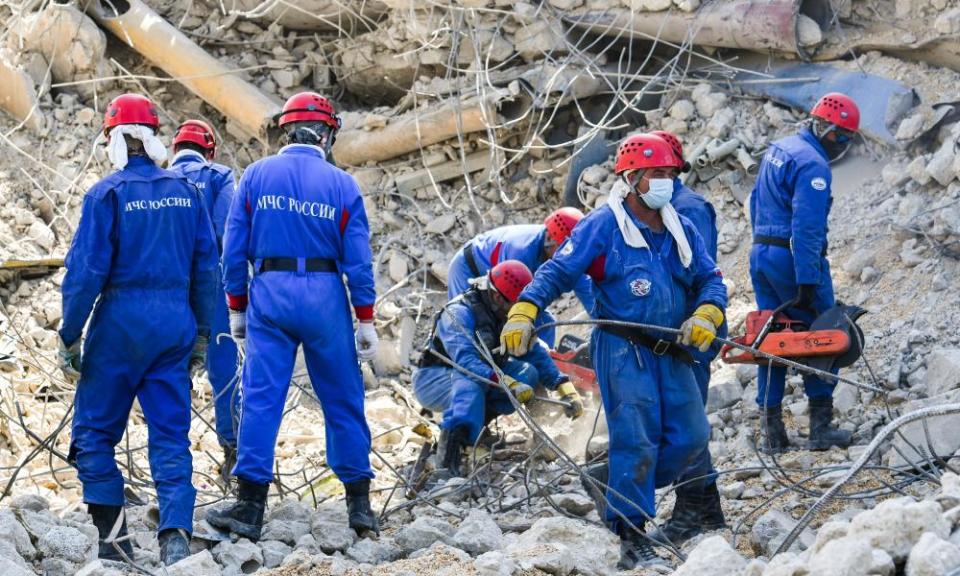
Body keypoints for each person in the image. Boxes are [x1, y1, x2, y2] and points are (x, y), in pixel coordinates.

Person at [500, 134, 727, 569]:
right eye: (656, 174)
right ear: (632, 178)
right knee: (636, 438)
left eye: (669, 174)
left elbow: (710, 279)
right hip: (625, 351)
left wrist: (708, 313)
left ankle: (610, 480)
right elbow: (560, 270)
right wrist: (526, 308)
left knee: (693, 436)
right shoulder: (604, 225)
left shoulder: (682, 226)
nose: (665, 182)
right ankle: (632, 535)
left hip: (674, 351)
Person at [209, 92, 379, 542]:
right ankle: (360, 507)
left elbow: (233, 251)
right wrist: (365, 319)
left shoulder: (257, 176)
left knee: (261, 397)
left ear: (286, 130)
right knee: (343, 396)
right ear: (326, 133)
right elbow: (359, 263)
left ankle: (249, 508)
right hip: (325, 295)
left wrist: (237, 308)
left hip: (271, 292)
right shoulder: (343, 185)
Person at [58, 93, 219, 565]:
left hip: (120, 327)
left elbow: (85, 272)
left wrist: (70, 334)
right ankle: (175, 539)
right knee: (171, 434)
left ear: (114, 139)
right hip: (174, 324)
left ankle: (115, 545)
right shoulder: (187, 192)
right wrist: (203, 334)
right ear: (152, 139)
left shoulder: (106, 194)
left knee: (93, 434)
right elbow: (208, 267)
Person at [749, 92, 860, 453]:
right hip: (790, 258)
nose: (842, 145)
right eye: (841, 137)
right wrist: (808, 277)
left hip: (761, 252)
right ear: (826, 128)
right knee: (823, 331)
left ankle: (773, 433)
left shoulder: (780, 148)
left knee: (772, 336)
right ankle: (820, 428)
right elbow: (807, 226)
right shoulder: (813, 164)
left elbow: (754, 202)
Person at [413, 260, 584, 476]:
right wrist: (505, 382)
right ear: (496, 296)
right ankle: (449, 459)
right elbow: (465, 362)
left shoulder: (506, 312)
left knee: (528, 373)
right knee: (471, 384)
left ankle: (477, 430)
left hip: (484, 375)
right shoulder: (459, 313)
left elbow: (534, 352)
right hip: (434, 379)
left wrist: (563, 386)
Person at [647, 130, 727, 544]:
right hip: (671, 331)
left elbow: (696, 274)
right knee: (683, 417)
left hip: (691, 330)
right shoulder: (656, 207)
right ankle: (708, 510)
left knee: (681, 420)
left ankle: (691, 510)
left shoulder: (688, 208)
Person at [168, 119, 240, 481]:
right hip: (211, 283)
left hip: (168, 286)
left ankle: (172, 458)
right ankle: (233, 455)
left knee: (170, 368)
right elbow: (226, 231)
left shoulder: (157, 179)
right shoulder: (219, 176)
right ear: (208, 150)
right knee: (223, 368)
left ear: (174, 149)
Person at [446, 208, 594, 346]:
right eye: (565, 249)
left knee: (545, 324)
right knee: (470, 331)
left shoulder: (564, 252)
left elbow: (587, 291)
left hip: (497, 277)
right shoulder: (522, 251)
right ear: (549, 238)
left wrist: (607, 322)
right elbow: (509, 298)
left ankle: (546, 369)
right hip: (467, 268)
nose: (568, 254)